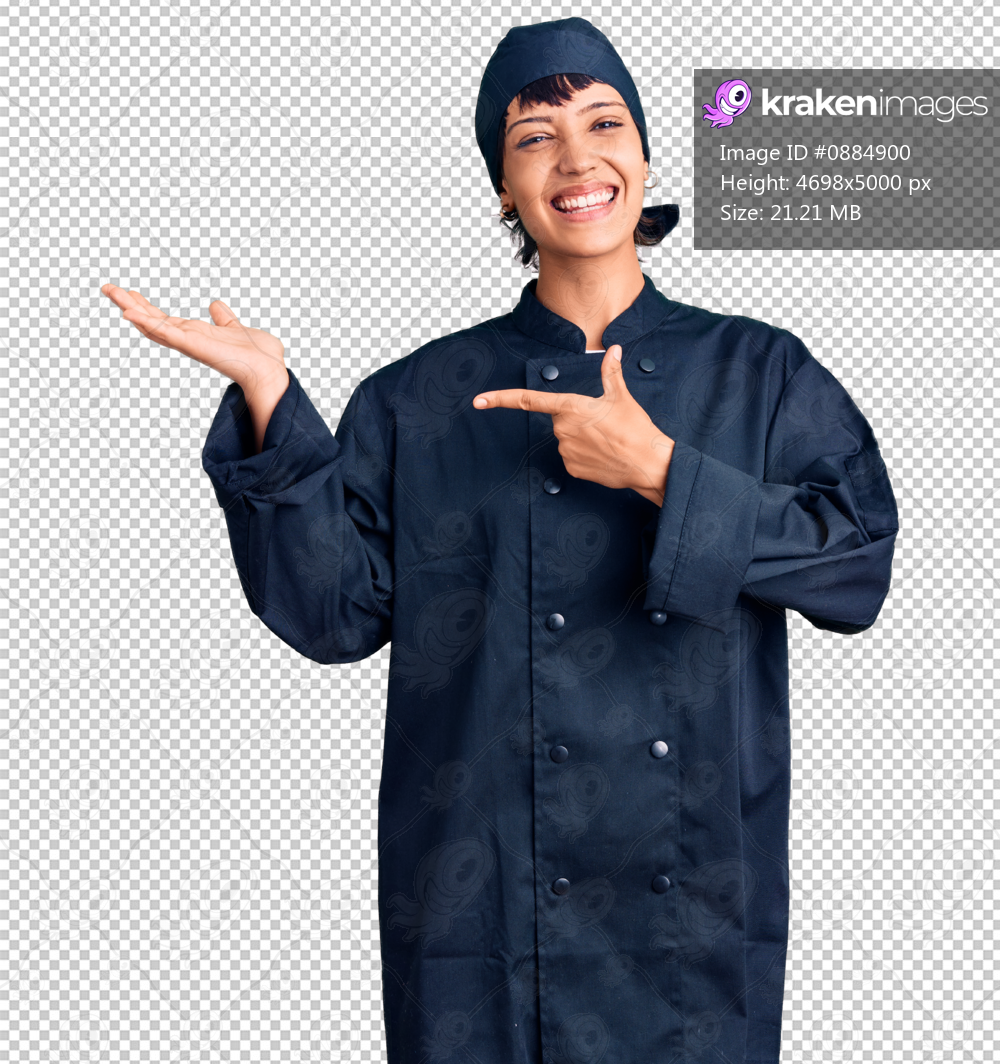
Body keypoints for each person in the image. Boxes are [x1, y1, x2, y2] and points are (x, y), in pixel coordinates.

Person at [101, 17, 898, 1064]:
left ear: (644, 155)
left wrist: (658, 467)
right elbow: (333, 611)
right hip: (485, 912)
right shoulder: (418, 395)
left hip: (687, 913)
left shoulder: (762, 372)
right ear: (503, 188)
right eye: (533, 137)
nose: (576, 158)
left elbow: (855, 564)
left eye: (603, 122)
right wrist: (268, 398)